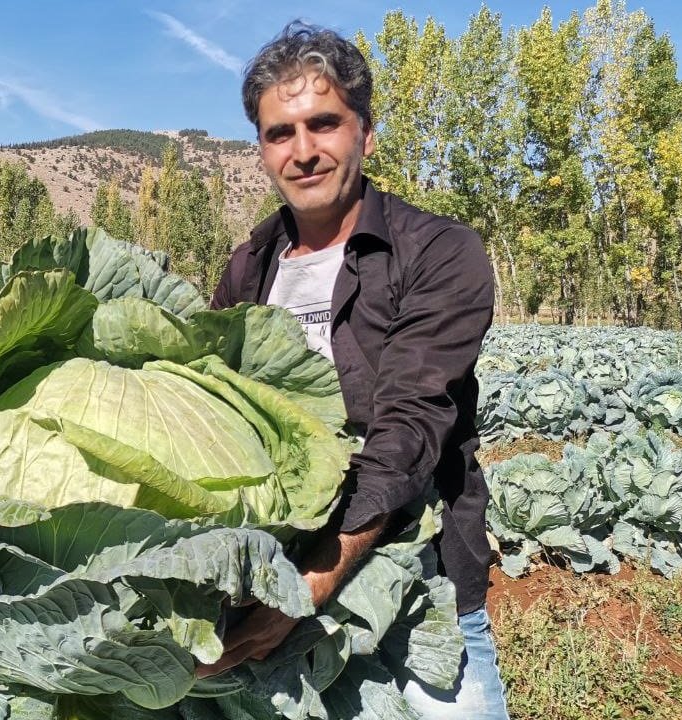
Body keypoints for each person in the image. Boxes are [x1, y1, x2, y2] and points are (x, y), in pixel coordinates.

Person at [201, 21, 509, 718]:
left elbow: (408, 426)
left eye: (325, 124)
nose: (303, 150)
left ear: (365, 135)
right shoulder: (249, 268)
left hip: (412, 567)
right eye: (281, 132)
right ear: (261, 150)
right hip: (268, 572)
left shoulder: (437, 252)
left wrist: (311, 581)